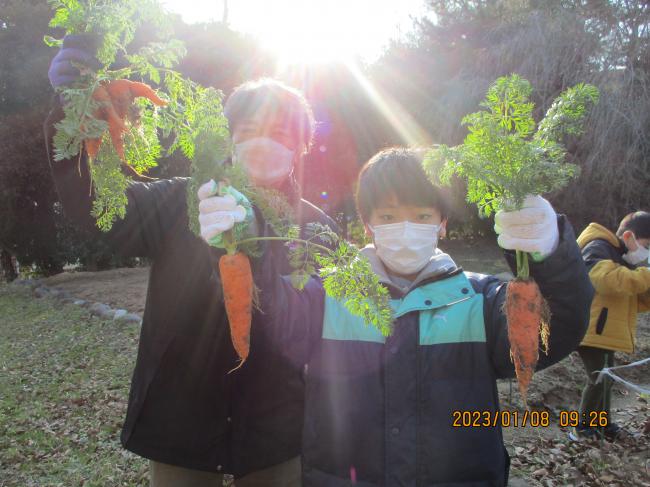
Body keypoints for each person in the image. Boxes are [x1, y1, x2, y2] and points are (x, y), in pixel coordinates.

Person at [46, 34, 337, 486]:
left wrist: (257, 262)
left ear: (302, 147)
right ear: (229, 138)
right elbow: (99, 210)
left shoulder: (315, 230)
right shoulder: (180, 199)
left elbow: (314, 323)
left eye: (281, 134)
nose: (264, 142)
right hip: (181, 419)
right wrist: (75, 110)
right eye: (249, 130)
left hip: (275, 425)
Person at [208, 147, 594, 485]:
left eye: (422, 215)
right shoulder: (327, 295)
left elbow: (556, 330)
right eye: (389, 217)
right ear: (368, 225)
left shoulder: (480, 299)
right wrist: (241, 252)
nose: (405, 228)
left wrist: (552, 255)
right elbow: (271, 321)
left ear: (442, 223)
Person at [572, 211, 650, 441]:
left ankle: (603, 424)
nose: (646, 252)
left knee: (606, 378)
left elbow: (628, 296)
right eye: (646, 245)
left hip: (603, 331)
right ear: (629, 236)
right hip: (591, 329)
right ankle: (582, 428)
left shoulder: (620, 256)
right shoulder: (598, 247)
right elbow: (604, 280)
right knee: (598, 378)